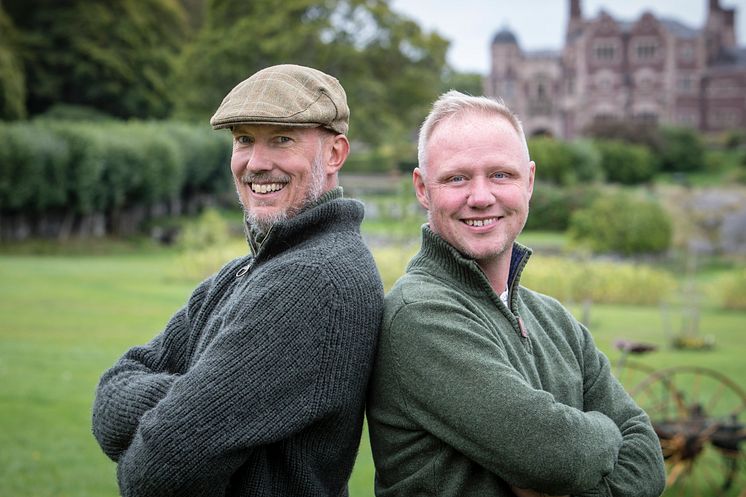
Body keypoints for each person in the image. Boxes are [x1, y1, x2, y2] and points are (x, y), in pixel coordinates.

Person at [92, 64, 384, 497]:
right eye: (244, 140)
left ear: (336, 153)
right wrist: (185, 402)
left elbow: (155, 473)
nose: (256, 163)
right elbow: (110, 389)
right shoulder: (245, 271)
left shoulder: (315, 280)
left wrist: (188, 409)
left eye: (281, 139)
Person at [366, 91, 666, 497]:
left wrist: (567, 475)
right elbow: (560, 457)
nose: (481, 196)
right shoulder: (419, 315)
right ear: (422, 188)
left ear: (530, 182)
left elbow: (649, 459)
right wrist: (605, 433)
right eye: (457, 178)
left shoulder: (554, 319)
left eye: (500, 175)